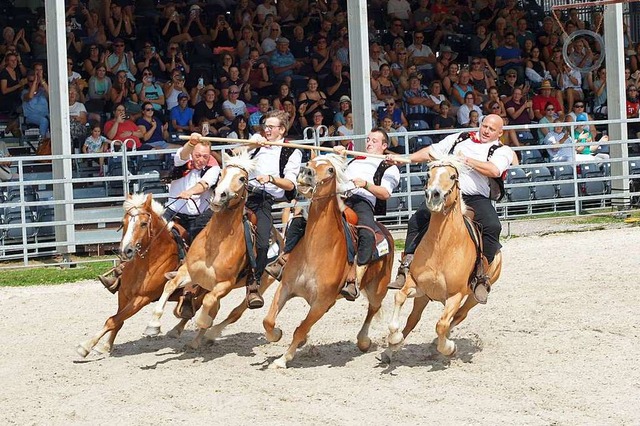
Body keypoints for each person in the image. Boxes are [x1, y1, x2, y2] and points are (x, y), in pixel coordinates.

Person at [388, 114, 515, 304]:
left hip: (476, 197)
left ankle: (481, 275)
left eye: (491, 129)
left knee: (492, 226)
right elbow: (431, 152)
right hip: (448, 195)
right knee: (418, 219)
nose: (486, 131)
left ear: (499, 132)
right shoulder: (460, 138)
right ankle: (406, 266)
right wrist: (405, 159)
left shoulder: (502, 150)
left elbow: (494, 170)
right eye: (484, 126)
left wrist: (467, 160)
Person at [267, 128, 400, 301]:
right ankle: (284, 259)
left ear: (384, 145)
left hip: (362, 202)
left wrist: (365, 184)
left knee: (367, 233)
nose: (369, 143)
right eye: (368, 139)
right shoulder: (354, 160)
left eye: (374, 141)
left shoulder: (388, 167)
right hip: (339, 196)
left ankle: (355, 279)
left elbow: (385, 193)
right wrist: (338, 156)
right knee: (300, 219)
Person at [98, 134, 220, 293]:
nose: (201, 159)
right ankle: (120, 272)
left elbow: (204, 185)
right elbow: (183, 154)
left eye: (205, 156)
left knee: (197, 244)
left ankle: (191, 281)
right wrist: (191, 142)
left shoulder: (214, 169)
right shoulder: (182, 160)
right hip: (173, 210)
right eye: (197, 155)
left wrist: (190, 192)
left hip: (197, 216)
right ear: (192, 153)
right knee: (143, 234)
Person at [243, 110, 302, 309]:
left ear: (282, 130)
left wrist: (271, 178)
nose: (266, 130)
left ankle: (253, 282)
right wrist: (250, 144)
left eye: (271, 127)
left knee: (262, 241)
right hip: (241, 193)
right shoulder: (256, 144)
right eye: (265, 126)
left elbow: (290, 185)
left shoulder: (291, 151)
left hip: (262, 199)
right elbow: (235, 156)